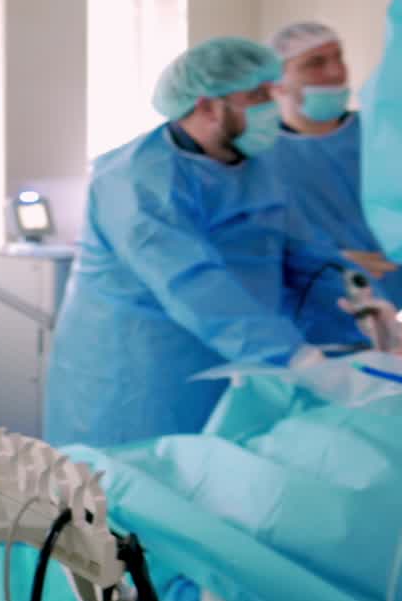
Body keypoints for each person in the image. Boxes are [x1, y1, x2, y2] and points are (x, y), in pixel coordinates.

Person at [44, 36, 363, 449]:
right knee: (133, 493)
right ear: (206, 106)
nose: (271, 104)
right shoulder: (136, 180)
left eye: (271, 90)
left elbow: (305, 252)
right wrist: (297, 358)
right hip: (142, 374)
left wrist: (359, 305)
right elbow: (192, 282)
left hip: (241, 356)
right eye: (256, 95)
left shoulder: (257, 164)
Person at [264, 20, 402, 314]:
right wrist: (327, 260)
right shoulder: (260, 157)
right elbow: (257, 244)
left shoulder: (383, 133)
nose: (335, 72)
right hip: (324, 309)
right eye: (315, 63)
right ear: (277, 82)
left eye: (338, 57)